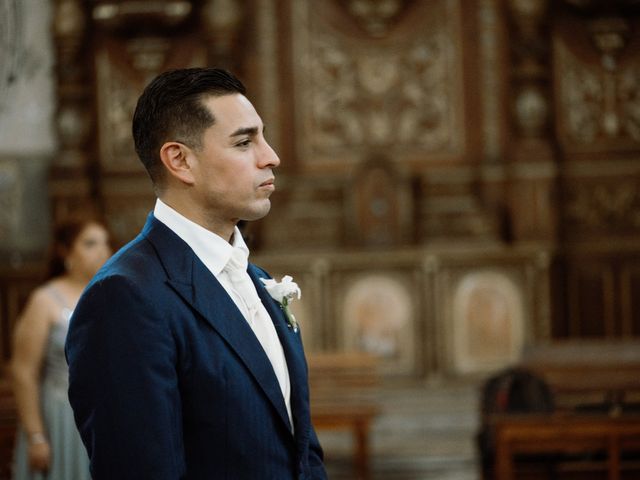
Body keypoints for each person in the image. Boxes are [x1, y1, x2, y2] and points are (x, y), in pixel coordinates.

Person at [66, 68, 327, 479]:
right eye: (244, 142)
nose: (270, 156)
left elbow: (300, 450)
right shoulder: (126, 297)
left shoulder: (257, 278)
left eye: (263, 136)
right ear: (180, 160)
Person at [10, 217, 112, 479]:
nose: (102, 251)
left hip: (107, 414)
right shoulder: (44, 301)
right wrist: (36, 435)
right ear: (66, 252)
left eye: (105, 243)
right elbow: (23, 372)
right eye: (90, 243)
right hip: (61, 417)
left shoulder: (111, 294)